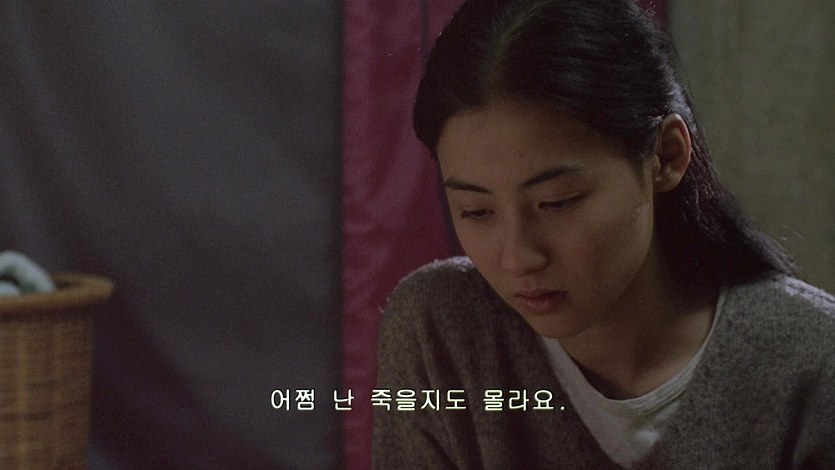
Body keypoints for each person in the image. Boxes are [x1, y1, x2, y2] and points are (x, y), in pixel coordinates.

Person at [372, 0, 835, 468]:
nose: (518, 258)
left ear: (666, 156)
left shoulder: (810, 364)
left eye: (557, 202)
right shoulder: (442, 330)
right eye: (477, 211)